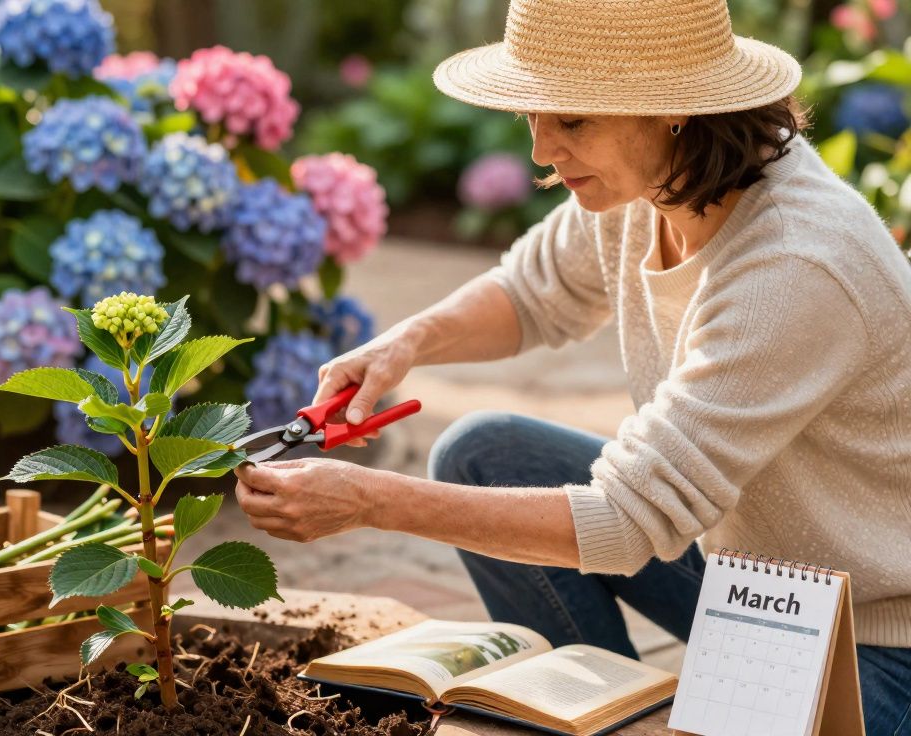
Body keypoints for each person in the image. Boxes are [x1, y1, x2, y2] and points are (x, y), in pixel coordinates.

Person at [231, 0, 911, 730]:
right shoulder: (653, 185)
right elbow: (532, 292)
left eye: (573, 120)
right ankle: (595, 710)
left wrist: (370, 502)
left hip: (871, 642)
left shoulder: (796, 264)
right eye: (533, 114)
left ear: (673, 107)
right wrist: (404, 344)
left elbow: (626, 521)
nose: (540, 150)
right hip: (750, 584)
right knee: (483, 455)